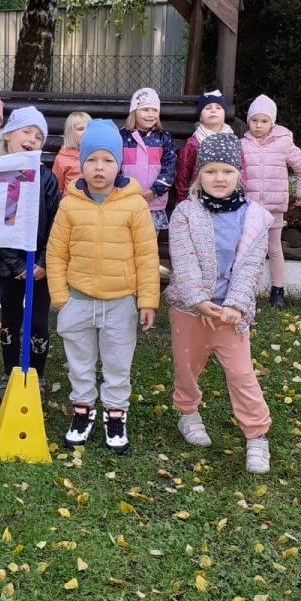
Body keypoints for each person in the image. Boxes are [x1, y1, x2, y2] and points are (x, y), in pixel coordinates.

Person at [46, 119, 159, 455]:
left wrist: (147, 301)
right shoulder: (70, 204)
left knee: (117, 363)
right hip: (77, 300)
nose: (99, 168)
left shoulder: (134, 203)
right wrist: (61, 298)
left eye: (107, 160)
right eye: (92, 160)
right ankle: (82, 411)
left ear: (118, 163)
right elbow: (56, 253)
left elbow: (146, 255)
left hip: (120, 302)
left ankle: (115, 414)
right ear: (81, 163)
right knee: (79, 363)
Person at [165, 132, 274, 474]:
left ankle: (256, 435)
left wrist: (236, 306)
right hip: (190, 309)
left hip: (230, 315)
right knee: (187, 367)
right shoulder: (185, 213)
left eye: (226, 171)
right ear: (199, 175)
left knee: (241, 373)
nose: (219, 178)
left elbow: (252, 266)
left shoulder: (255, 216)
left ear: (239, 174)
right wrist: (198, 300)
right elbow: (183, 259)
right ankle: (188, 412)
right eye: (211, 171)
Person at [0, 106, 60, 402]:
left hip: (41, 268)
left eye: (38, 135)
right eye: (26, 132)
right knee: (10, 321)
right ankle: (9, 373)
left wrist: (43, 262)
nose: (32, 139)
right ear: (8, 136)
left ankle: (37, 375)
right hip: (9, 268)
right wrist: (18, 264)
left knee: (38, 323)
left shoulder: (46, 178)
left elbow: (57, 222)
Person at [241, 94, 301, 310]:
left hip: (273, 208)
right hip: (249, 209)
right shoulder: (242, 144)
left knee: (274, 249)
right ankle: (244, 289)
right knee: (247, 249)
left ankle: (278, 290)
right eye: (254, 121)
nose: (259, 125)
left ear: (272, 122)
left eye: (264, 121)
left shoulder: (284, 143)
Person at [119, 88, 176, 238]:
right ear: (134, 111)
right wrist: (125, 190)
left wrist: (154, 192)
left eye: (154, 110)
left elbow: (169, 169)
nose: (150, 114)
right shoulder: (122, 136)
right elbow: (114, 166)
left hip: (153, 203)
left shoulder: (164, 138)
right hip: (125, 202)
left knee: (148, 245)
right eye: (145, 110)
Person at [175, 89, 241, 203]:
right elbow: (183, 172)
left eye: (218, 108)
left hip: (228, 197)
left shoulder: (233, 141)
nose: (213, 111)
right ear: (200, 115)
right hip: (198, 197)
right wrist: (181, 199)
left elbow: (242, 167)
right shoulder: (193, 143)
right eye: (208, 108)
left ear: (225, 114)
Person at [52, 110, 92, 195]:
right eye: (80, 129)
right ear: (70, 133)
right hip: (71, 204)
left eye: (89, 128)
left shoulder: (97, 154)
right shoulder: (62, 158)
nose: (85, 132)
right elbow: (58, 187)